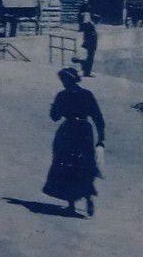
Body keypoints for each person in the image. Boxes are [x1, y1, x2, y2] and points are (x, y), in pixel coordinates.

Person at [43, 67, 106, 217]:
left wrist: (54, 108)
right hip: (84, 131)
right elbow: (98, 117)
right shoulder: (87, 94)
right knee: (84, 164)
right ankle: (87, 196)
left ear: (68, 80)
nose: (63, 83)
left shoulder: (62, 96)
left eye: (64, 80)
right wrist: (101, 139)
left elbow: (55, 117)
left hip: (69, 131)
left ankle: (71, 205)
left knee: (66, 164)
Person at [77, 12, 99, 77]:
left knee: (90, 58)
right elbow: (87, 35)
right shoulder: (89, 24)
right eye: (97, 20)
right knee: (90, 58)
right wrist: (86, 42)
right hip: (91, 44)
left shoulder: (91, 24)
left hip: (92, 44)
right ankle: (87, 72)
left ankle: (86, 71)